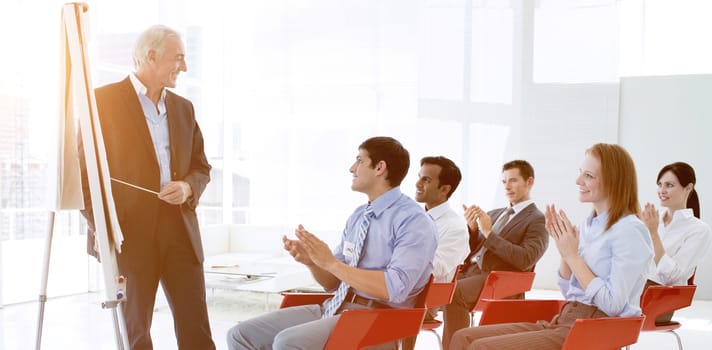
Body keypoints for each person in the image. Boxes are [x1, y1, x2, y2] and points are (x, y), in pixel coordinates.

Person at [226, 136, 438, 350]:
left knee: (288, 342)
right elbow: (333, 283)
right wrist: (313, 262)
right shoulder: (358, 217)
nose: (351, 168)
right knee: (240, 335)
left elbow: (395, 288)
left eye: (359, 160)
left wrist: (332, 264)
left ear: (379, 168)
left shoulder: (414, 220)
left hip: (378, 319)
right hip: (337, 305)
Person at [80, 25, 215, 350]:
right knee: (135, 332)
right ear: (152, 56)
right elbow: (85, 176)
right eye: (178, 58)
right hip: (130, 236)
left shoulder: (184, 108)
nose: (183, 67)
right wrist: (100, 227)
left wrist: (186, 187)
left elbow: (202, 168)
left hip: (181, 233)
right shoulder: (101, 101)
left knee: (196, 329)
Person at [449, 143, 654, 350]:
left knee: (481, 348)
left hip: (594, 329)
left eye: (589, 176)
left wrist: (572, 255)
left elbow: (613, 304)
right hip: (566, 318)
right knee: (462, 337)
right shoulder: (586, 226)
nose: (578, 181)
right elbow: (569, 291)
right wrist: (565, 252)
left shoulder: (630, 231)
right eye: (580, 173)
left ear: (614, 181)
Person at [442, 160, 548, 349]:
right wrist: (473, 230)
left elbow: (526, 259)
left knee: (453, 293)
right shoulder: (495, 213)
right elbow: (473, 250)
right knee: (429, 283)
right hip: (470, 273)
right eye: (504, 181)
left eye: (513, 180)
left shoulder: (537, 220)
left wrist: (489, 233)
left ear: (529, 182)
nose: (507, 186)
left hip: (496, 279)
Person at [402, 156, 469, 350]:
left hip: (423, 300)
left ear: (445, 189)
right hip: (397, 291)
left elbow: (435, 269)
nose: (417, 183)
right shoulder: (411, 218)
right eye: (419, 177)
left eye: (426, 180)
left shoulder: (455, 227)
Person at [640, 162, 712, 323]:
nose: (662, 191)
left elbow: (672, 277)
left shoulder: (699, 230)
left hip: (658, 300)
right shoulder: (654, 220)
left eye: (669, 185)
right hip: (634, 289)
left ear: (688, 188)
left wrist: (653, 234)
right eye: (660, 185)